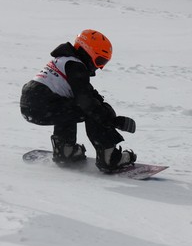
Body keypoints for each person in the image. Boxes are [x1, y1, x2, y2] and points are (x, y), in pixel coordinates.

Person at [20, 29, 137, 171]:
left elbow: (87, 93)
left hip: (29, 105)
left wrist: (106, 112)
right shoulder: (76, 66)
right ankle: (109, 158)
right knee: (90, 110)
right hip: (43, 104)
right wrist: (113, 120)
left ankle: (65, 151)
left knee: (71, 106)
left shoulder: (64, 61)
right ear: (89, 52)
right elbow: (88, 104)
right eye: (100, 61)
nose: (99, 68)